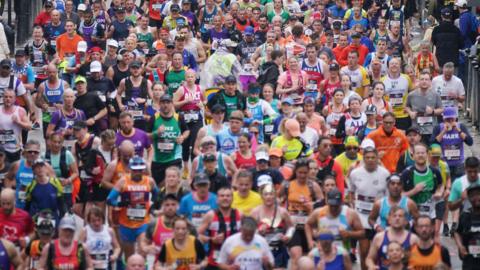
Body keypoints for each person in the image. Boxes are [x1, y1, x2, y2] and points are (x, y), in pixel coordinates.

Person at [106, 156, 158, 259]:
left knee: (142, 253)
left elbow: (158, 196)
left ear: (143, 170)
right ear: (130, 169)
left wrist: (153, 207)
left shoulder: (150, 181)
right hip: (126, 224)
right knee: (129, 257)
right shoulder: (123, 181)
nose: (137, 172)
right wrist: (120, 204)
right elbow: (110, 200)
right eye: (135, 170)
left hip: (143, 223)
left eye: (140, 170)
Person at [348, 146, 390, 269]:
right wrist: (352, 206)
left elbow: (389, 196)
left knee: (379, 252)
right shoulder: (355, 173)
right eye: (367, 157)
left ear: (377, 158)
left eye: (373, 157)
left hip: (378, 219)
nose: (370, 160)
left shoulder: (385, 173)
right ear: (363, 158)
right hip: (361, 217)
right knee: (364, 252)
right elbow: (351, 192)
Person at [279, 159, 322, 269]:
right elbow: (278, 199)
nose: (302, 175)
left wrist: (312, 204)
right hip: (292, 226)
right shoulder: (288, 185)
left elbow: (322, 204)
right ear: (295, 172)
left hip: (309, 225)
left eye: (305, 173)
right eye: (300, 172)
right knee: (296, 255)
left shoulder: (313, 186)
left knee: (308, 258)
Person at [305, 188, 364, 255]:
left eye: (336, 206)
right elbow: (308, 224)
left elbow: (362, 233)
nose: (333, 208)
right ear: (327, 201)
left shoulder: (350, 213)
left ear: (341, 202)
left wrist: (349, 234)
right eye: (331, 205)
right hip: (322, 254)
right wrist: (310, 241)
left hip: (342, 255)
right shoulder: (318, 212)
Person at [148, 94, 189, 185]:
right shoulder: (154, 118)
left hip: (174, 158)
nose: (165, 105)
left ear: (172, 104)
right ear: (159, 104)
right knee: (158, 188)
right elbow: (146, 136)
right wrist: (156, 133)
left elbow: (186, 131)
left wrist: (182, 137)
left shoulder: (178, 117)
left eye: (168, 102)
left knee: (171, 182)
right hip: (157, 159)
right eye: (163, 102)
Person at [198, 186, 242, 269]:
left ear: (232, 198)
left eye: (228, 196)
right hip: (215, 261)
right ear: (217, 199)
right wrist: (211, 239)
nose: (225, 198)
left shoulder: (239, 214)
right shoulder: (210, 215)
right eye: (222, 196)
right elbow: (197, 236)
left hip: (235, 262)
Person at [251, 184, 293, 269]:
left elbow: (291, 227)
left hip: (278, 250)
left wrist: (288, 236)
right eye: (266, 194)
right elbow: (249, 233)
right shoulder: (255, 212)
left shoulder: (282, 212)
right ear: (262, 196)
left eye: (271, 194)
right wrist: (258, 231)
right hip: (261, 251)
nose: (268, 197)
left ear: (275, 195)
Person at [401, 143, 444, 224]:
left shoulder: (434, 172)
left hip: (430, 215)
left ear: (427, 155)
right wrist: (414, 191)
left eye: (423, 153)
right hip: (411, 218)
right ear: (413, 156)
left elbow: (441, 185)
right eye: (418, 153)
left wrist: (439, 192)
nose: (420, 155)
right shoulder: (406, 173)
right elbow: (399, 196)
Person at [431, 107, 473, 181]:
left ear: (455, 119)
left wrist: (458, 131)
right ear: (443, 119)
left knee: (458, 186)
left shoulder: (461, 126)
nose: (450, 122)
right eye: (447, 120)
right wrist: (444, 131)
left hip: (458, 163)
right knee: (444, 185)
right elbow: (432, 144)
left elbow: (470, 142)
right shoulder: (438, 128)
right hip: (443, 163)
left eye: (452, 119)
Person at [405, 71, 443, 143]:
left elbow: (441, 109)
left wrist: (433, 111)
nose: (424, 82)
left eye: (426, 79)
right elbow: (406, 107)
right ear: (418, 81)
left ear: (430, 82)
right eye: (422, 79)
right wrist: (410, 112)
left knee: (431, 152)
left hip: (431, 129)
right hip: (416, 130)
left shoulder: (435, 94)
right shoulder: (411, 95)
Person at [140, 194, 178, 259]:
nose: (170, 207)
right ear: (162, 207)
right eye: (167, 205)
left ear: (177, 206)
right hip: (159, 264)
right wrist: (146, 248)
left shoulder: (185, 223)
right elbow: (144, 242)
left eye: (173, 204)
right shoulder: (154, 224)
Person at [381, 57, 414, 131]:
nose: (394, 65)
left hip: (403, 114)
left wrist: (409, 108)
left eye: (396, 63)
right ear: (388, 66)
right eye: (392, 64)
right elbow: (381, 97)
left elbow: (411, 93)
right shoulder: (383, 80)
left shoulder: (406, 78)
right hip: (389, 114)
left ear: (399, 66)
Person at [0, 88, 32, 163]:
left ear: (15, 99)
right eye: (6, 97)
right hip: (1, 149)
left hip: (14, 149)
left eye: (10, 97)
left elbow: (29, 127)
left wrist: (19, 122)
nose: (8, 99)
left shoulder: (20, 110)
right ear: (3, 98)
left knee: (13, 172)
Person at [454, 182, 480, 269]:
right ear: (469, 198)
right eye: (473, 195)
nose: (477, 197)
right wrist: (460, 246)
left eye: (479, 194)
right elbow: (457, 232)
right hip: (469, 261)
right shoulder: (465, 215)